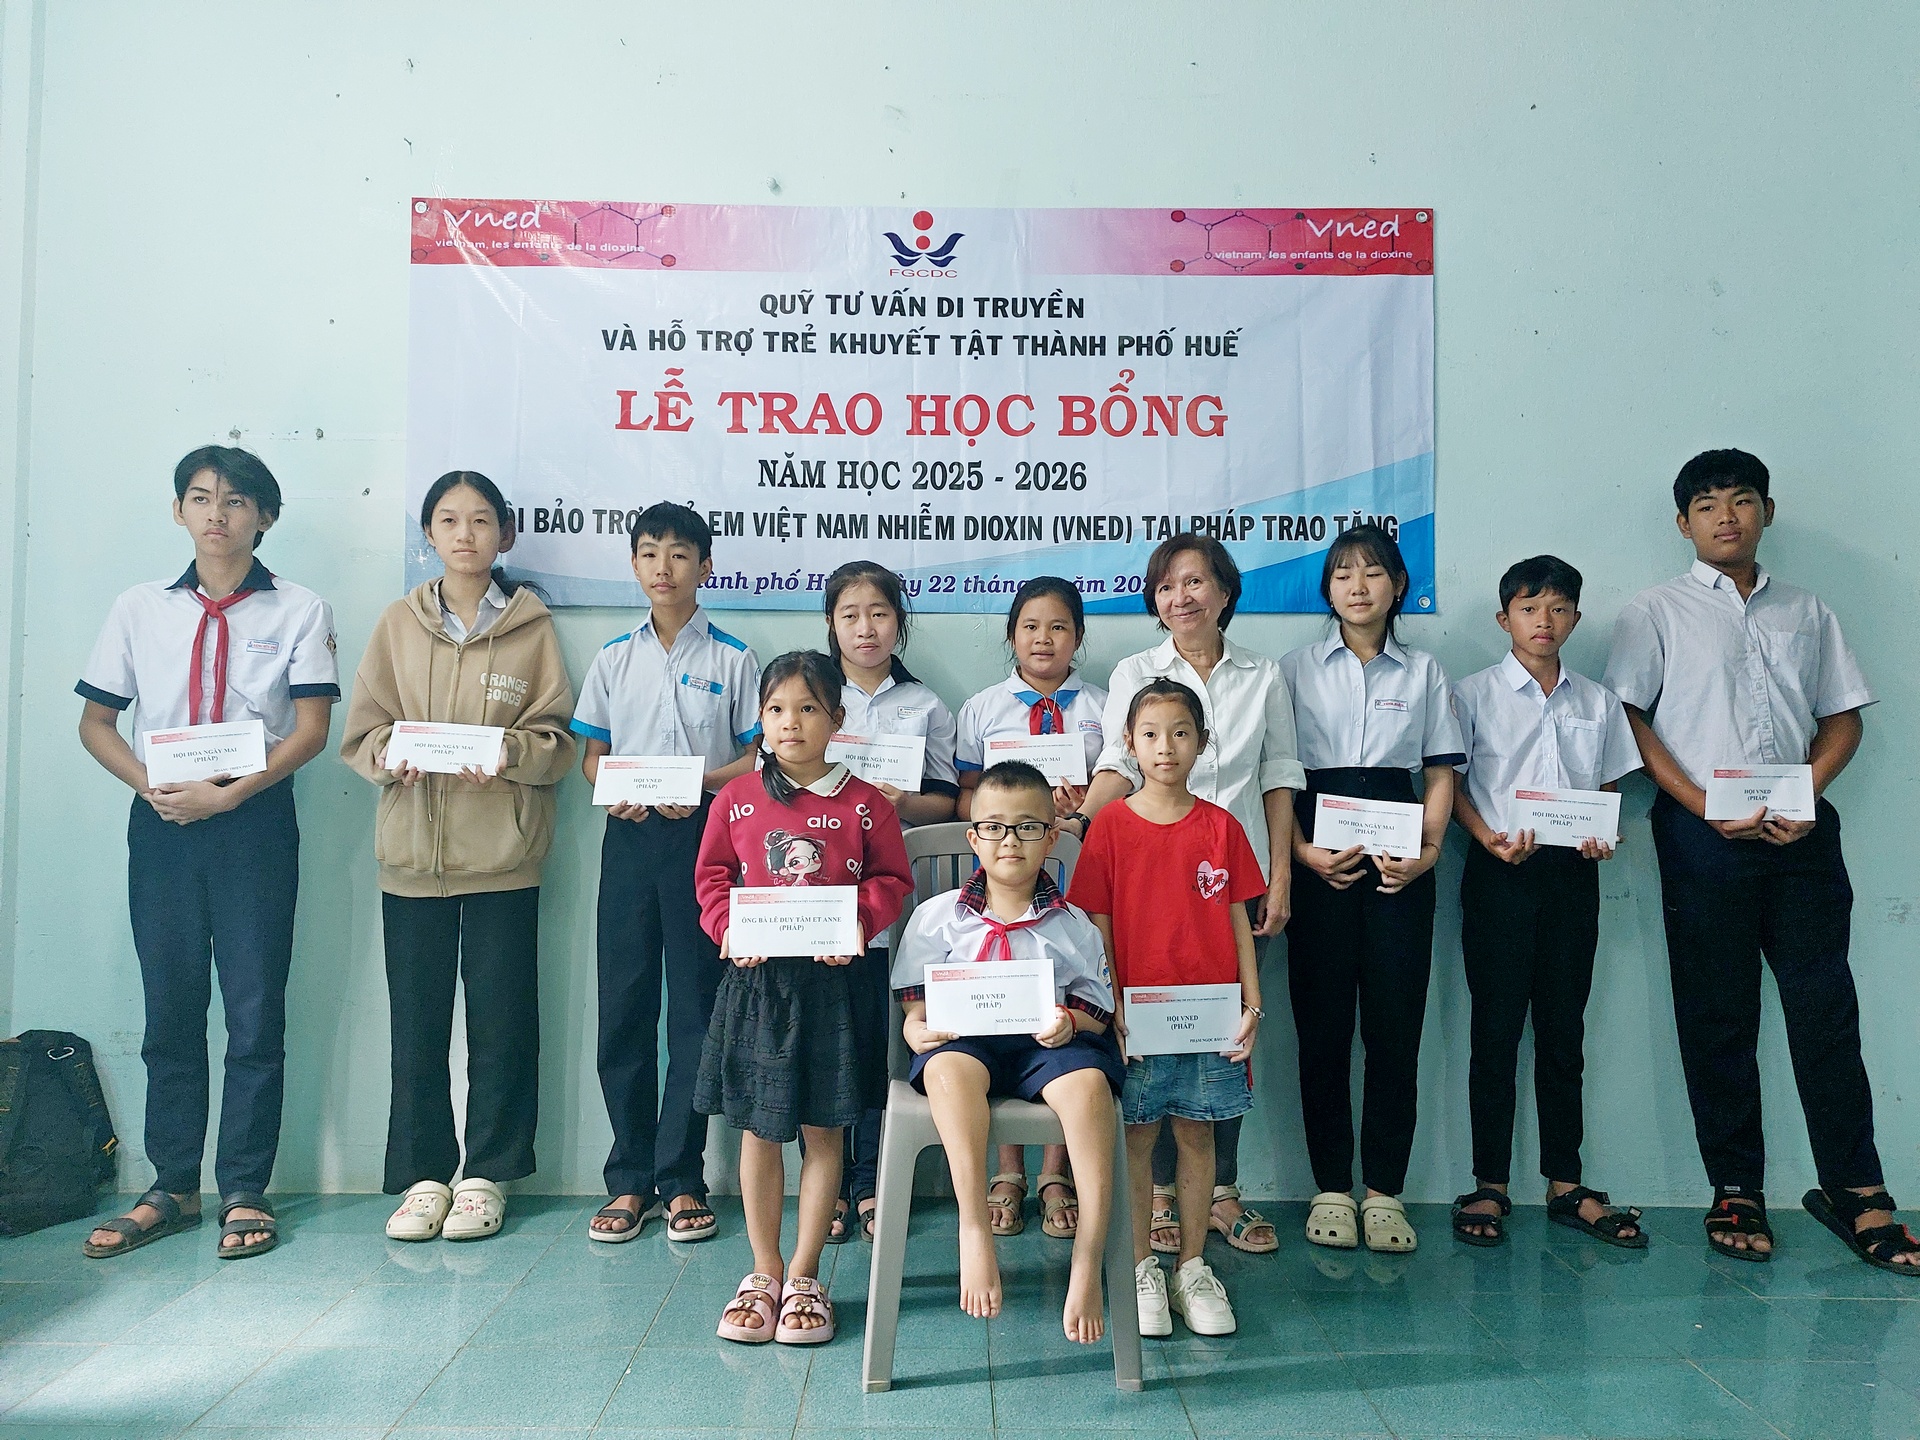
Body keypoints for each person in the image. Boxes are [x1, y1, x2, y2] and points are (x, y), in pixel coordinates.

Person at [1604, 449, 1917, 1272]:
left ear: (1766, 512)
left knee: (1826, 1009)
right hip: (1704, 838)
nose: (1726, 517)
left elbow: (1843, 718)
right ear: (1684, 524)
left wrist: (1802, 795)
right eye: (1707, 506)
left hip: (1802, 839)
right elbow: (1631, 719)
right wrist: (1702, 804)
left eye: (1742, 501)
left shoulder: (1808, 611)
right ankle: (1735, 1186)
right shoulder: (1655, 612)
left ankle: (1857, 1190)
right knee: (1718, 1014)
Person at [76, 446, 339, 1260]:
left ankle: (246, 1190)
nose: (217, 514)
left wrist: (232, 792)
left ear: (265, 515)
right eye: (200, 498)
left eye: (235, 501)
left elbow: (311, 730)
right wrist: (149, 784)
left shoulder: (298, 607)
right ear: (179, 511)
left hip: (252, 821)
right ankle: (172, 1185)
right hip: (161, 824)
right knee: (171, 1010)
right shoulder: (138, 608)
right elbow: (96, 724)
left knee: (257, 1011)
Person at [340, 471, 576, 1244]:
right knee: (416, 1025)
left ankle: (486, 1176)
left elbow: (557, 744)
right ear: (429, 536)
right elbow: (363, 735)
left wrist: (507, 751)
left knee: (504, 1023)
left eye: (481, 521)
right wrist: (395, 757)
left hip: (503, 855)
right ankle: (422, 1176)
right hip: (412, 858)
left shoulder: (532, 629)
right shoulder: (396, 626)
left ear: (505, 535)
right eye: (449, 520)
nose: (465, 534)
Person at [1076, 535, 1302, 1256]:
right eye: (1168, 586)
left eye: (1197, 582)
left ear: (1225, 592)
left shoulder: (1262, 674)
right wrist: (1077, 824)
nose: (1183, 597)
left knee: (1223, 1036)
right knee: (1151, 1039)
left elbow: (1278, 774)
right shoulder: (1136, 672)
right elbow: (1116, 762)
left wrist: (1281, 876)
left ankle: (1222, 1195)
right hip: (1150, 887)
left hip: (1232, 881)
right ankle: (1164, 1202)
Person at [695, 651, 913, 1344]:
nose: (791, 723)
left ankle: (806, 1275)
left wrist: (858, 921)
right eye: (777, 709)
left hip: (834, 989)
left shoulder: (865, 802)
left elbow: (891, 880)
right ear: (759, 719)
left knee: (825, 1132)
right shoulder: (736, 800)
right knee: (760, 1133)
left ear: (837, 720)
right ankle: (761, 1273)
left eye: (808, 708)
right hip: (758, 988)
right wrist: (729, 928)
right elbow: (712, 880)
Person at [572, 503, 760, 1244]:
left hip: (702, 844)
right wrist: (612, 784)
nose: (663, 567)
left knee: (696, 1011)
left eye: (679, 555)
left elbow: (758, 758)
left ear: (705, 567)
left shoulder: (733, 658)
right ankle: (629, 1179)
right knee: (622, 1008)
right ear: (634, 565)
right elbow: (591, 754)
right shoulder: (614, 657)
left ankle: (682, 1178)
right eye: (649, 553)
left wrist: (703, 784)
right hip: (628, 843)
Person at [1448, 556, 1644, 1248]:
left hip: (1571, 878)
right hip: (1499, 872)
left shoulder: (1597, 700)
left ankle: (1567, 1182)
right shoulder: (1470, 694)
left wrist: (1601, 831)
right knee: (1495, 1033)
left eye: (1559, 609)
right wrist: (1484, 839)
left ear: (1576, 620)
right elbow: (1455, 789)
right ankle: (1489, 1185)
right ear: (1505, 619)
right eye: (1530, 609)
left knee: (1565, 1032)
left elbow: (1612, 784)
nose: (1545, 622)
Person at [1279, 522, 1464, 1255]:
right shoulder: (1293, 669)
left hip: (1399, 864)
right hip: (1318, 852)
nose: (1358, 586)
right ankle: (1330, 1185)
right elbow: (1279, 775)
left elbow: (1441, 770)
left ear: (1398, 587)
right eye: (1343, 573)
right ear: (1327, 589)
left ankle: (1384, 1191)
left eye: (1373, 573)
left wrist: (1428, 852)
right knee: (1321, 1027)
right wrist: (1299, 853)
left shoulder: (1425, 673)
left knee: (1394, 1026)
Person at [893, 760, 1122, 1343]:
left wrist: (1069, 1022)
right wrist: (915, 1031)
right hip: (965, 1044)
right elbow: (914, 1005)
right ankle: (973, 1226)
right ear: (974, 837)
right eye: (993, 827)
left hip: (1047, 1047)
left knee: (1091, 1090)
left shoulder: (1073, 925)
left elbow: (1098, 1007)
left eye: (1027, 827)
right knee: (945, 1069)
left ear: (1051, 836)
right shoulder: (937, 917)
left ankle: (1087, 1259)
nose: (1010, 841)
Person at [1071, 680, 1263, 1337]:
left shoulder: (1221, 826)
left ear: (1202, 743)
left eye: (1181, 732)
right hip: (1137, 1019)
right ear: (1129, 743)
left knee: (1198, 1131)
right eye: (1150, 733)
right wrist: (1111, 1001)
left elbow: (1239, 917)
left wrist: (1253, 1003)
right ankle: (1139, 1267)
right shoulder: (1110, 828)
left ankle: (1190, 1267)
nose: (1165, 746)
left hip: (1211, 1014)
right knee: (1137, 1135)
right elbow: (1094, 922)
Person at [955, 576, 1108, 1242]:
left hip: (1074, 874)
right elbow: (965, 794)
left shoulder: (1104, 706)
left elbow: (1117, 791)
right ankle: (1007, 1169)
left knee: (1058, 994)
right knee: (999, 995)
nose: (1043, 639)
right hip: (1003, 870)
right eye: (1030, 627)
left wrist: (1077, 809)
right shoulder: (984, 707)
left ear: (1078, 637)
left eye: (1058, 627)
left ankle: (1054, 1171)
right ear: (1012, 635)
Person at [821, 560, 959, 1244]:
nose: (864, 627)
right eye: (850, 615)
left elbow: (949, 800)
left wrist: (902, 802)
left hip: (896, 901)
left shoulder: (927, 705)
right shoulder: (813, 698)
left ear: (899, 623)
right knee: (830, 1045)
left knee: (883, 1045)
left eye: (878, 613)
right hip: (818, 902)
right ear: (831, 625)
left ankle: (873, 1180)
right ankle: (832, 1186)